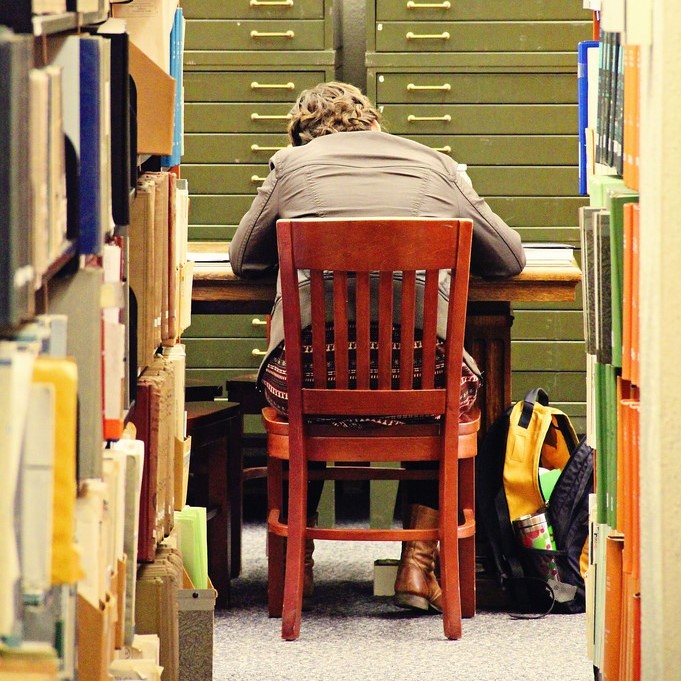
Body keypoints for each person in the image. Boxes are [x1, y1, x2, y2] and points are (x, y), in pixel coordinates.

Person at [229, 81, 526, 614]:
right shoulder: (437, 165)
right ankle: (418, 566)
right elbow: (508, 259)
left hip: (310, 383)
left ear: (304, 136)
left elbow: (244, 261)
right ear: (374, 122)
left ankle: (300, 563)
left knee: (307, 379)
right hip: (424, 382)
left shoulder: (290, 168)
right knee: (443, 388)